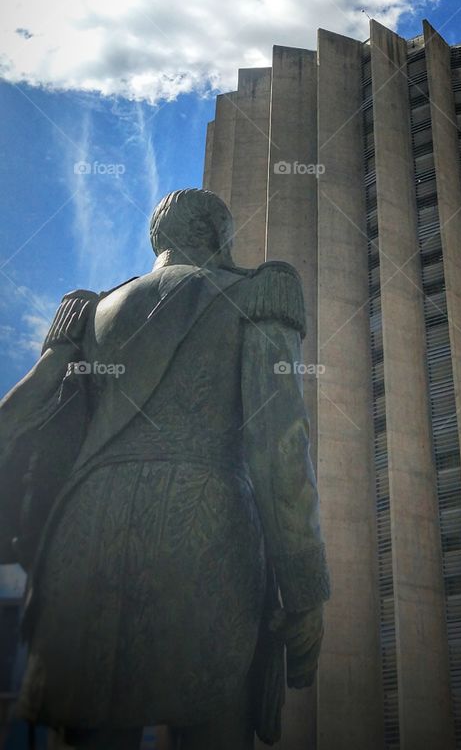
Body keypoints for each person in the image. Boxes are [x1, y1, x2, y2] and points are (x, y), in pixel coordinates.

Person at [0, 188, 329, 748]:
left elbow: (12, 424)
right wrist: (303, 588)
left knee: (91, 733)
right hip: (205, 529)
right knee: (211, 728)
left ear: (157, 238)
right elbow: (279, 445)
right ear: (223, 237)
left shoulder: (88, 310)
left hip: (82, 533)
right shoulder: (259, 292)